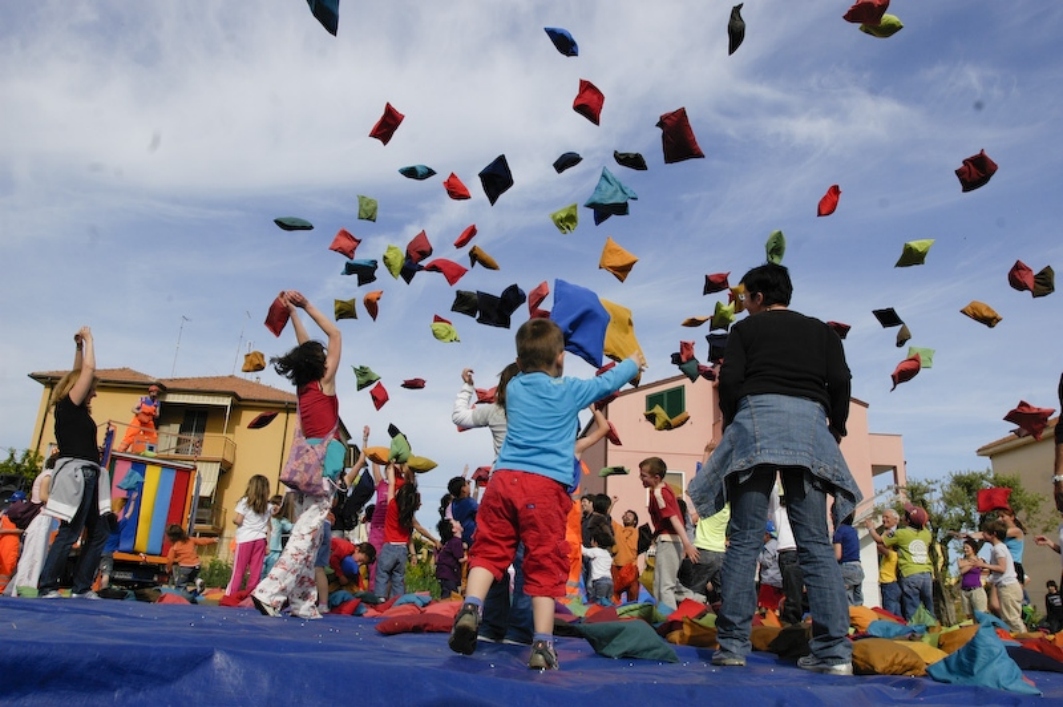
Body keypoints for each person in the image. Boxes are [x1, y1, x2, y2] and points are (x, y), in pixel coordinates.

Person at [687, 263, 860, 676]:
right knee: (815, 543)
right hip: (810, 426)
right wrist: (835, 426)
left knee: (745, 540)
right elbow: (840, 380)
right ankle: (835, 652)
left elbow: (729, 382)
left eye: (745, 299)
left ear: (759, 299)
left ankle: (731, 646)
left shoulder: (746, 332)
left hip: (756, 422)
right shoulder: (823, 332)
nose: (743, 306)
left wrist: (735, 425)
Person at [447, 318, 643, 670]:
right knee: (541, 564)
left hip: (503, 480)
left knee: (489, 551)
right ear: (561, 359)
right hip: (544, 487)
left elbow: (521, 370)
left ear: (519, 363)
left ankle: (471, 607)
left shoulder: (516, 387)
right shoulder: (568, 390)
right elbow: (606, 382)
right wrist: (633, 362)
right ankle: (541, 645)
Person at [252, 291, 344, 620]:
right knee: (307, 533)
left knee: (311, 533)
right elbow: (335, 334)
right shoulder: (324, 383)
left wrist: (292, 314)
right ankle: (269, 590)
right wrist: (305, 306)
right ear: (321, 364)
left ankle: (304, 604)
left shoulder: (304, 386)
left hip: (303, 468)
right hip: (322, 470)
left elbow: (309, 346)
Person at [450, 362, 532, 645]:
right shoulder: (539, 413)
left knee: (493, 556)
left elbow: (459, 416)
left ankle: (491, 626)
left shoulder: (496, 411)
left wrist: (467, 387)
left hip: (499, 487)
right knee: (525, 562)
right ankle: (520, 631)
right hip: (532, 489)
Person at [39, 327, 114, 600]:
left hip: (92, 474)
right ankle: (47, 586)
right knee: (71, 531)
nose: (93, 394)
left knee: (99, 532)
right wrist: (92, 340)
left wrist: (79, 348)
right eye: (91, 390)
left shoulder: (74, 409)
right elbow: (86, 371)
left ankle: (81, 588)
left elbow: (78, 371)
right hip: (78, 474)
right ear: (79, 389)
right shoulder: (68, 406)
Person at [640, 457, 699, 611]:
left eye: (644, 476)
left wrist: (687, 544)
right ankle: (698, 600)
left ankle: (668, 618)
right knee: (662, 583)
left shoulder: (660, 493)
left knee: (664, 586)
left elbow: (674, 518)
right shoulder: (661, 490)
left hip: (669, 541)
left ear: (656, 477)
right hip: (667, 540)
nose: (641, 479)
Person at [375, 462, 440, 599]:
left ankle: (380, 598)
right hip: (403, 550)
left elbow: (391, 483)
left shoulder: (392, 506)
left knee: (383, 574)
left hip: (389, 547)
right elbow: (419, 528)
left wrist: (391, 465)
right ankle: (397, 601)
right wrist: (432, 541)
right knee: (398, 578)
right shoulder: (408, 514)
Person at [868, 505, 934, 621]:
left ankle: (915, 632)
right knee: (928, 605)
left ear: (907, 521)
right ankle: (933, 628)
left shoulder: (901, 534)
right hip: (926, 574)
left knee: (912, 606)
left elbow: (880, 541)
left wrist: (871, 529)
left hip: (910, 573)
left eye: (905, 515)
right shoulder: (927, 534)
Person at [5, 455, 57, 596]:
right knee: (35, 553)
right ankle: (26, 587)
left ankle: (22, 587)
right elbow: (43, 496)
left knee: (35, 554)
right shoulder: (49, 475)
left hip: (42, 518)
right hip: (41, 518)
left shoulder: (47, 475)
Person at [226, 474, 271, 596]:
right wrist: (268, 544)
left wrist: (234, 520)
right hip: (260, 539)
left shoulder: (245, 502)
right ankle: (250, 596)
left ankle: (231, 595)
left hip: (245, 538)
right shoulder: (268, 506)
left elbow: (239, 520)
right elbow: (268, 526)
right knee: (255, 571)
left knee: (238, 570)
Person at [978, 519, 1024, 633]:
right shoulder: (999, 548)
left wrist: (983, 564)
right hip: (1007, 586)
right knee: (1009, 619)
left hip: (1008, 587)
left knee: (1012, 619)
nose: (982, 534)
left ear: (993, 534)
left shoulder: (998, 549)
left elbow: (1002, 568)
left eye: (985, 532)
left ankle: (1026, 641)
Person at [865, 509, 902, 617]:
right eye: (883, 517)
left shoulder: (893, 534)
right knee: (897, 612)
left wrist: (871, 529)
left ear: (895, 520)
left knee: (889, 613)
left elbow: (879, 542)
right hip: (893, 581)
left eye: (887, 517)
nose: (884, 520)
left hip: (889, 581)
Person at [166, 524, 217, 588]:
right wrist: (212, 540)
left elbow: (170, 560)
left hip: (185, 567)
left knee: (180, 584)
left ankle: (182, 595)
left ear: (171, 537)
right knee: (190, 578)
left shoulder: (174, 547)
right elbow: (201, 541)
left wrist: (168, 569)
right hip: (197, 566)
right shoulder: (190, 540)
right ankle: (198, 581)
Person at [117, 384, 161, 453]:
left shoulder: (157, 403)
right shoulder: (142, 399)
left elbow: (157, 414)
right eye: (154, 392)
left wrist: (153, 414)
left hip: (148, 422)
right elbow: (133, 409)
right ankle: (120, 451)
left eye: (156, 393)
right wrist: (139, 411)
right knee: (130, 435)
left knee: (152, 437)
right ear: (150, 392)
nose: (155, 394)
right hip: (138, 420)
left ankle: (150, 454)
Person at [833, 514, 864, 606]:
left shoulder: (839, 531)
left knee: (847, 602)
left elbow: (838, 555)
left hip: (846, 568)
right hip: (857, 567)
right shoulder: (853, 530)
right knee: (858, 601)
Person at [611, 509, 641, 604]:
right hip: (616, 565)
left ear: (635, 521)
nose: (627, 516)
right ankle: (615, 614)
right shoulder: (618, 529)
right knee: (614, 593)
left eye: (630, 515)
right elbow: (607, 516)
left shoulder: (638, 532)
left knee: (633, 594)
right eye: (625, 515)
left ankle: (632, 614)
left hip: (631, 567)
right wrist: (612, 503)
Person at [262, 494, 294, 578]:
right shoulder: (263, 518)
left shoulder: (281, 520)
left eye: (279, 505)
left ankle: (267, 590)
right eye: (274, 503)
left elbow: (292, 528)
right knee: (260, 572)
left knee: (271, 573)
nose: (275, 507)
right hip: (263, 549)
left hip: (275, 551)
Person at [582, 526, 615, 606]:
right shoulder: (607, 553)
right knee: (607, 600)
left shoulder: (596, 551)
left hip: (600, 582)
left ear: (596, 543)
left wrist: (577, 542)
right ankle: (612, 613)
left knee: (599, 603)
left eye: (592, 540)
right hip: (609, 582)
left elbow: (583, 551)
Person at [956, 538, 987, 620]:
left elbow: (982, 565)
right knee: (969, 616)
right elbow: (962, 570)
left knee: (980, 615)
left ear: (973, 549)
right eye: (964, 548)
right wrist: (973, 564)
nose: (965, 550)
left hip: (976, 590)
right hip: (964, 591)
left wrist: (969, 564)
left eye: (967, 548)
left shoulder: (979, 559)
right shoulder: (961, 560)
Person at [436, 518, 466, 598]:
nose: (459, 521)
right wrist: (470, 556)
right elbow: (461, 559)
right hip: (448, 573)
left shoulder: (452, 541)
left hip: (444, 573)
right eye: (456, 522)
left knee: (448, 592)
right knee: (451, 595)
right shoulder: (456, 541)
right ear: (453, 529)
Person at [447, 471, 479, 545]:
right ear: (463, 489)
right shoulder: (469, 503)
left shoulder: (453, 504)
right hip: (473, 536)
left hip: (462, 537)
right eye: (467, 484)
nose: (469, 485)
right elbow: (482, 513)